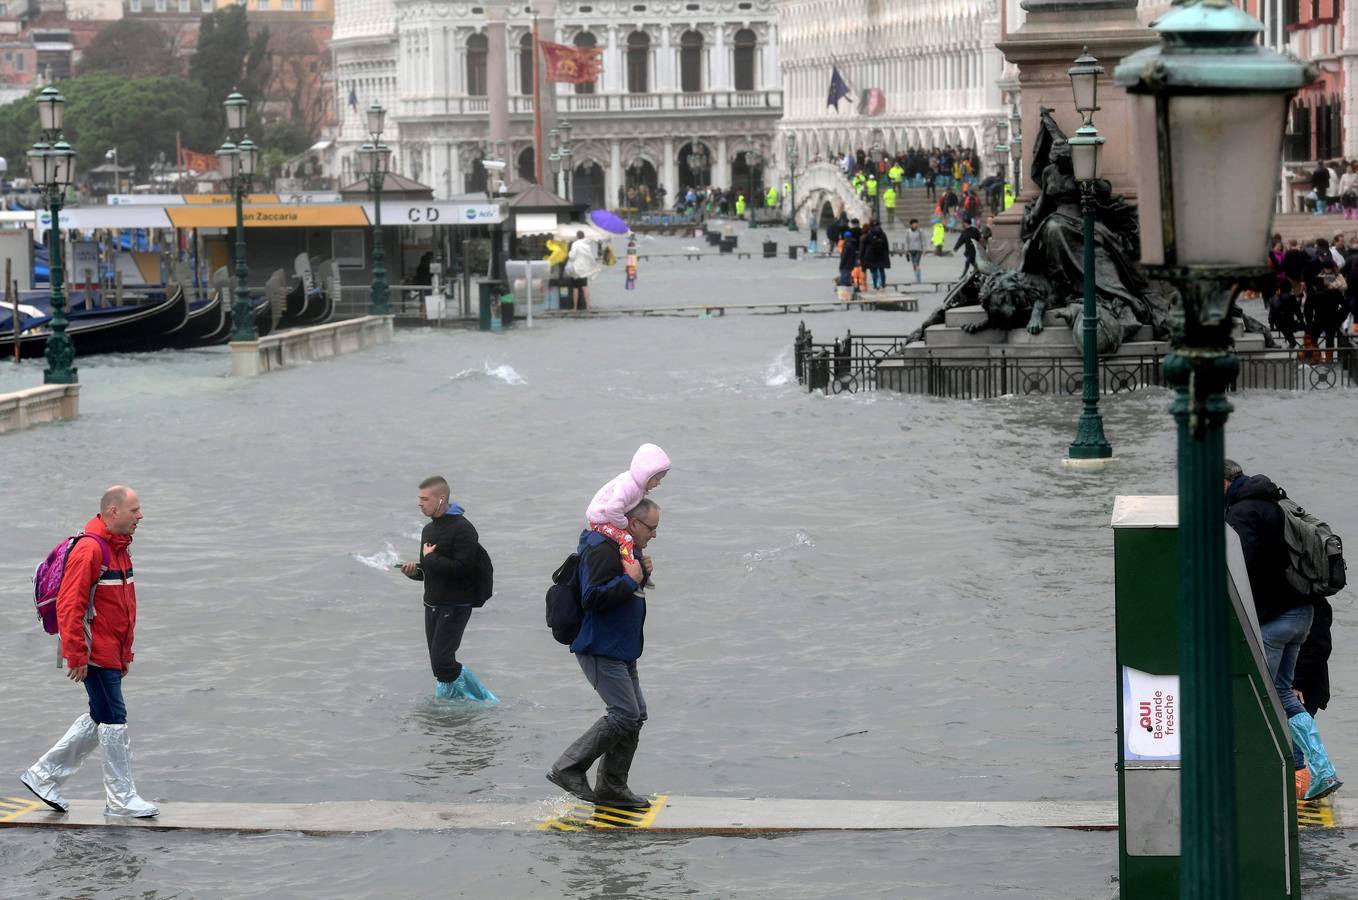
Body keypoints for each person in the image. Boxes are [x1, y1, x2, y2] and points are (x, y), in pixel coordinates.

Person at [21, 486, 158, 818]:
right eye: (134, 510)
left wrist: (125, 654)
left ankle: (43, 776)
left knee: (101, 714)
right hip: (93, 649)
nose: (141, 516)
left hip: (110, 649)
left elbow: (123, 609)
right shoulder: (91, 550)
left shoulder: (120, 550)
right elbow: (71, 605)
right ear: (113, 511)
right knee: (114, 718)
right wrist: (77, 654)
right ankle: (121, 798)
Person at [1224, 460, 1341, 801]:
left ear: (1223, 482)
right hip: (1301, 614)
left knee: (1261, 695)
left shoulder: (1243, 512)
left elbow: (1236, 565)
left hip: (1273, 620)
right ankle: (1318, 768)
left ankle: (1281, 772)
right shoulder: (1275, 501)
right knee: (1282, 692)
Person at [547, 499, 661, 809]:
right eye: (651, 528)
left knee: (635, 714)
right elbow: (592, 597)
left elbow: (626, 590)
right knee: (624, 713)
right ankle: (568, 767)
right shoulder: (600, 546)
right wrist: (631, 579)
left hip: (622, 648)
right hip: (599, 647)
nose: (654, 535)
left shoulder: (624, 546)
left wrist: (641, 575)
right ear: (634, 523)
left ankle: (612, 787)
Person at [401, 476, 496, 702]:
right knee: (438, 665)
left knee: (443, 661)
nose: (420, 503)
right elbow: (428, 569)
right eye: (419, 498)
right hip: (432, 604)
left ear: (441, 499)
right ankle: (451, 703)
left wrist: (431, 559)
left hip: (455, 604)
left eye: (425, 499)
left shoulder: (464, 530)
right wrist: (414, 571)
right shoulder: (428, 530)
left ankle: (484, 699)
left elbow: (463, 568)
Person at [586, 443, 671, 564]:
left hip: (609, 518)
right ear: (646, 474)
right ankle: (631, 567)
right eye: (657, 478)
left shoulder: (638, 488)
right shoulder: (628, 486)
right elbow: (612, 509)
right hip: (599, 520)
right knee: (626, 538)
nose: (658, 483)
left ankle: (640, 564)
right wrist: (625, 524)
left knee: (632, 539)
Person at [565, 231, 599, 311]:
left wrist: (569, 253)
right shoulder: (587, 245)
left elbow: (572, 257)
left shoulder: (575, 244)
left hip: (577, 269)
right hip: (585, 270)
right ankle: (588, 306)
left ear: (577, 236)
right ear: (583, 236)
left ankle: (575, 307)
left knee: (575, 288)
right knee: (585, 287)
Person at [859, 219, 891, 290]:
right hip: (881, 255)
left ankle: (875, 286)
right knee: (882, 270)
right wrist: (886, 254)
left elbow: (863, 246)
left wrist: (861, 256)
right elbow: (886, 245)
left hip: (871, 255)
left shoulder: (868, 234)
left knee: (874, 272)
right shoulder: (883, 234)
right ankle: (883, 285)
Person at [838, 218, 861, 286]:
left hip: (852, 253)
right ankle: (858, 281)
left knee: (849, 269)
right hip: (860, 252)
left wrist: (841, 264)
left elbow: (844, 255)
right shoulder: (861, 231)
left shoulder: (849, 233)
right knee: (858, 267)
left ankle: (852, 280)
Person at [904, 218, 926, 283]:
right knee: (914, 264)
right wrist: (906, 250)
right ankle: (916, 277)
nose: (915, 225)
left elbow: (923, 240)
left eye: (916, 224)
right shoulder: (907, 232)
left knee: (916, 263)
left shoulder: (920, 231)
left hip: (918, 250)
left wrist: (924, 250)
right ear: (911, 225)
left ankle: (918, 279)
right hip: (911, 250)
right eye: (914, 224)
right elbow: (906, 241)